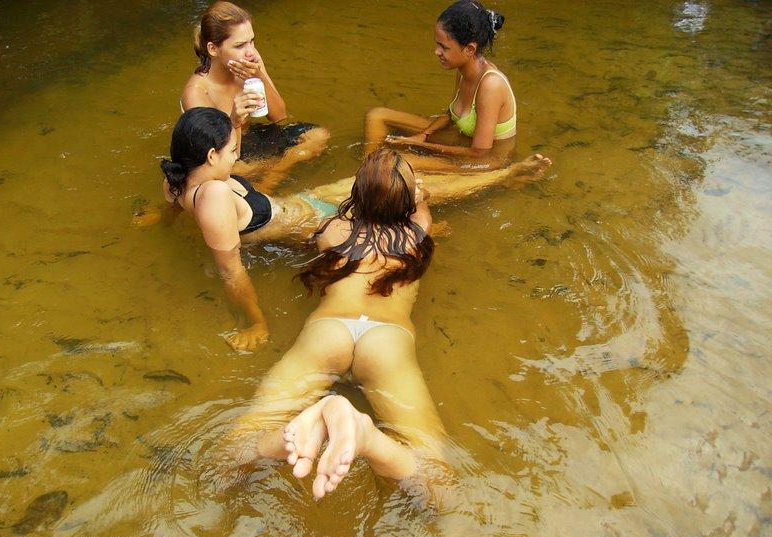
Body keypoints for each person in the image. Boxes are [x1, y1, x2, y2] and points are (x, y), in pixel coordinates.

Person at [202, 148, 550, 503]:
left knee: (234, 449)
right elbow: (419, 203)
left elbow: (328, 229)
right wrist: (419, 193)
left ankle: (283, 438)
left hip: (329, 331)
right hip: (386, 341)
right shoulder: (419, 231)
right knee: (437, 480)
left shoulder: (332, 230)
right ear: (409, 201)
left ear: (356, 195)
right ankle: (369, 440)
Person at [160, 108, 551, 352]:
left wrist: (157, 222)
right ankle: (504, 177)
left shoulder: (177, 174)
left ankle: (493, 179)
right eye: (232, 150)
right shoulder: (212, 196)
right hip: (307, 224)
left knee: (393, 178)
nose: (237, 155)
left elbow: (174, 206)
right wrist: (254, 323)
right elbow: (231, 269)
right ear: (210, 156)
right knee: (408, 191)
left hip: (303, 202)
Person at [181, 1, 330, 192]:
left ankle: (268, 181)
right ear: (213, 49)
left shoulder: (251, 61)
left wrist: (258, 75)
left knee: (317, 136)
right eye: (240, 45)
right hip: (226, 153)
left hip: (251, 136)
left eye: (252, 41)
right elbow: (218, 162)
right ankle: (272, 172)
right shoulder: (197, 92)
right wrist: (234, 119)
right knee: (237, 171)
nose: (250, 51)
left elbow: (279, 116)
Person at [365, 0, 517, 173]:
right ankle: (366, 173)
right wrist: (423, 135)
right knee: (377, 116)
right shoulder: (463, 70)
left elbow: (479, 153)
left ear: (470, 49)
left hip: (484, 163)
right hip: (461, 140)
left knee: (400, 163)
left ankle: (373, 176)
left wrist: (418, 145)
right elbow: (451, 115)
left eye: (443, 47)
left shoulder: (491, 86)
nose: (437, 52)